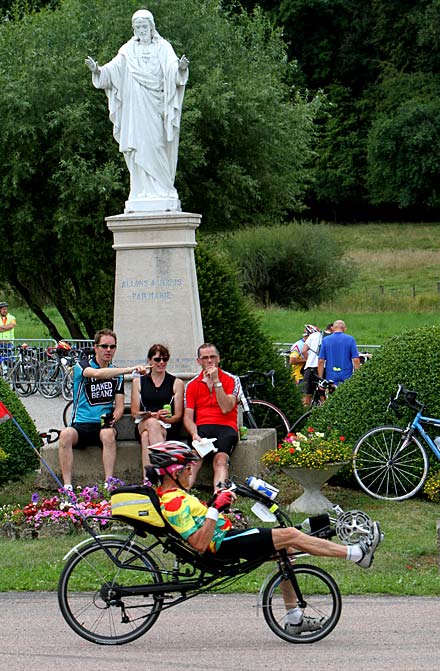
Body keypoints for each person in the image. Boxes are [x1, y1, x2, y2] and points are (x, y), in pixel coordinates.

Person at [149, 442, 382, 635]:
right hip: (221, 546)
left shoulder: (178, 495)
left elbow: (203, 521)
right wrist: (214, 508)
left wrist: (218, 503)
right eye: (187, 467)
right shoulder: (173, 502)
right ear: (174, 471)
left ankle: (294, 619)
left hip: (225, 539)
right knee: (290, 534)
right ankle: (356, 554)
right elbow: (199, 544)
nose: (191, 471)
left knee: (288, 550)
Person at [85, 9, 189, 210]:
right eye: (138, 27)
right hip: (135, 109)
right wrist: (98, 70)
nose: (142, 30)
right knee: (137, 146)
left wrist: (181, 69)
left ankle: (163, 188)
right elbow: (112, 70)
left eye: (144, 26)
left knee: (156, 144)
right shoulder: (127, 51)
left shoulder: (163, 47)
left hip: (155, 104)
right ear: (134, 29)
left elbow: (171, 69)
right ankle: (140, 189)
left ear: (152, 27)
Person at [58, 328, 148, 490]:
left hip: (103, 424)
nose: (108, 350)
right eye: (104, 346)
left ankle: (109, 483)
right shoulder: (82, 366)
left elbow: (119, 406)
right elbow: (97, 374)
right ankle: (67, 486)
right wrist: (130, 369)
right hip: (80, 424)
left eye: (112, 347)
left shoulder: (117, 374)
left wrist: (114, 418)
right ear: (96, 347)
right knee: (65, 435)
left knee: (108, 434)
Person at [183, 343, 240, 489]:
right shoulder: (192, 384)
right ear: (199, 361)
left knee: (220, 461)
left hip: (226, 427)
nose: (209, 361)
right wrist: (194, 434)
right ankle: (182, 497)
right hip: (202, 428)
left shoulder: (231, 379)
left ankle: (219, 500)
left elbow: (227, 407)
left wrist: (216, 382)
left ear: (219, 358)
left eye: (213, 357)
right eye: (205, 358)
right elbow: (188, 417)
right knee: (194, 459)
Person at [130, 343, 184, 477]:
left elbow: (178, 415)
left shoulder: (176, 383)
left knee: (146, 437)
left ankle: (148, 480)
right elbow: (135, 413)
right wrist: (153, 415)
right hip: (143, 422)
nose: (161, 363)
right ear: (149, 360)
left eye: (165, 359)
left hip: (167, 426)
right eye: (157, 359)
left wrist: (166, 418)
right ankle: (165, 473)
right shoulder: (139, 382)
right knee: (152, 423)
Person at [318, 319, 360, 386]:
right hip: (347, 375)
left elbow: (321, 361)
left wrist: (320, 379)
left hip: (331, 375)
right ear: (344, 329)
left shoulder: (326, 340)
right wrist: (358, 377)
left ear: (333, 328)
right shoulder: (350, 339)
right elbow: (356, 360)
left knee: (331, 395)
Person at [301, 323, 333, 406]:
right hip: (324, 367)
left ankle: (305, 411)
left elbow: (304, 350)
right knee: (322, 392)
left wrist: (309, 360)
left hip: (310, 367)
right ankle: (324, 411)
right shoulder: (333, 338)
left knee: (307, 393)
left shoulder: (313, 335)